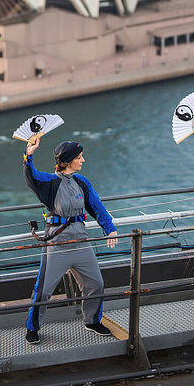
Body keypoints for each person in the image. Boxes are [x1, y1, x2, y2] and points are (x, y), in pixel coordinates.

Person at [22, 138, 118, 345]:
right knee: (43, 291)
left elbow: (97, 206)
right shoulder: (49, 182)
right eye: (79, 157)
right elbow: (31, 176)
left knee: (96, 284)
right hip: (57, 245)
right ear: (67, 161)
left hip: (81, 243)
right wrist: (28, 155)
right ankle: (33, 328)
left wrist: (110, 229)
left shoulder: (82, 182)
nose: (83, 160)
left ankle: (92, 321)